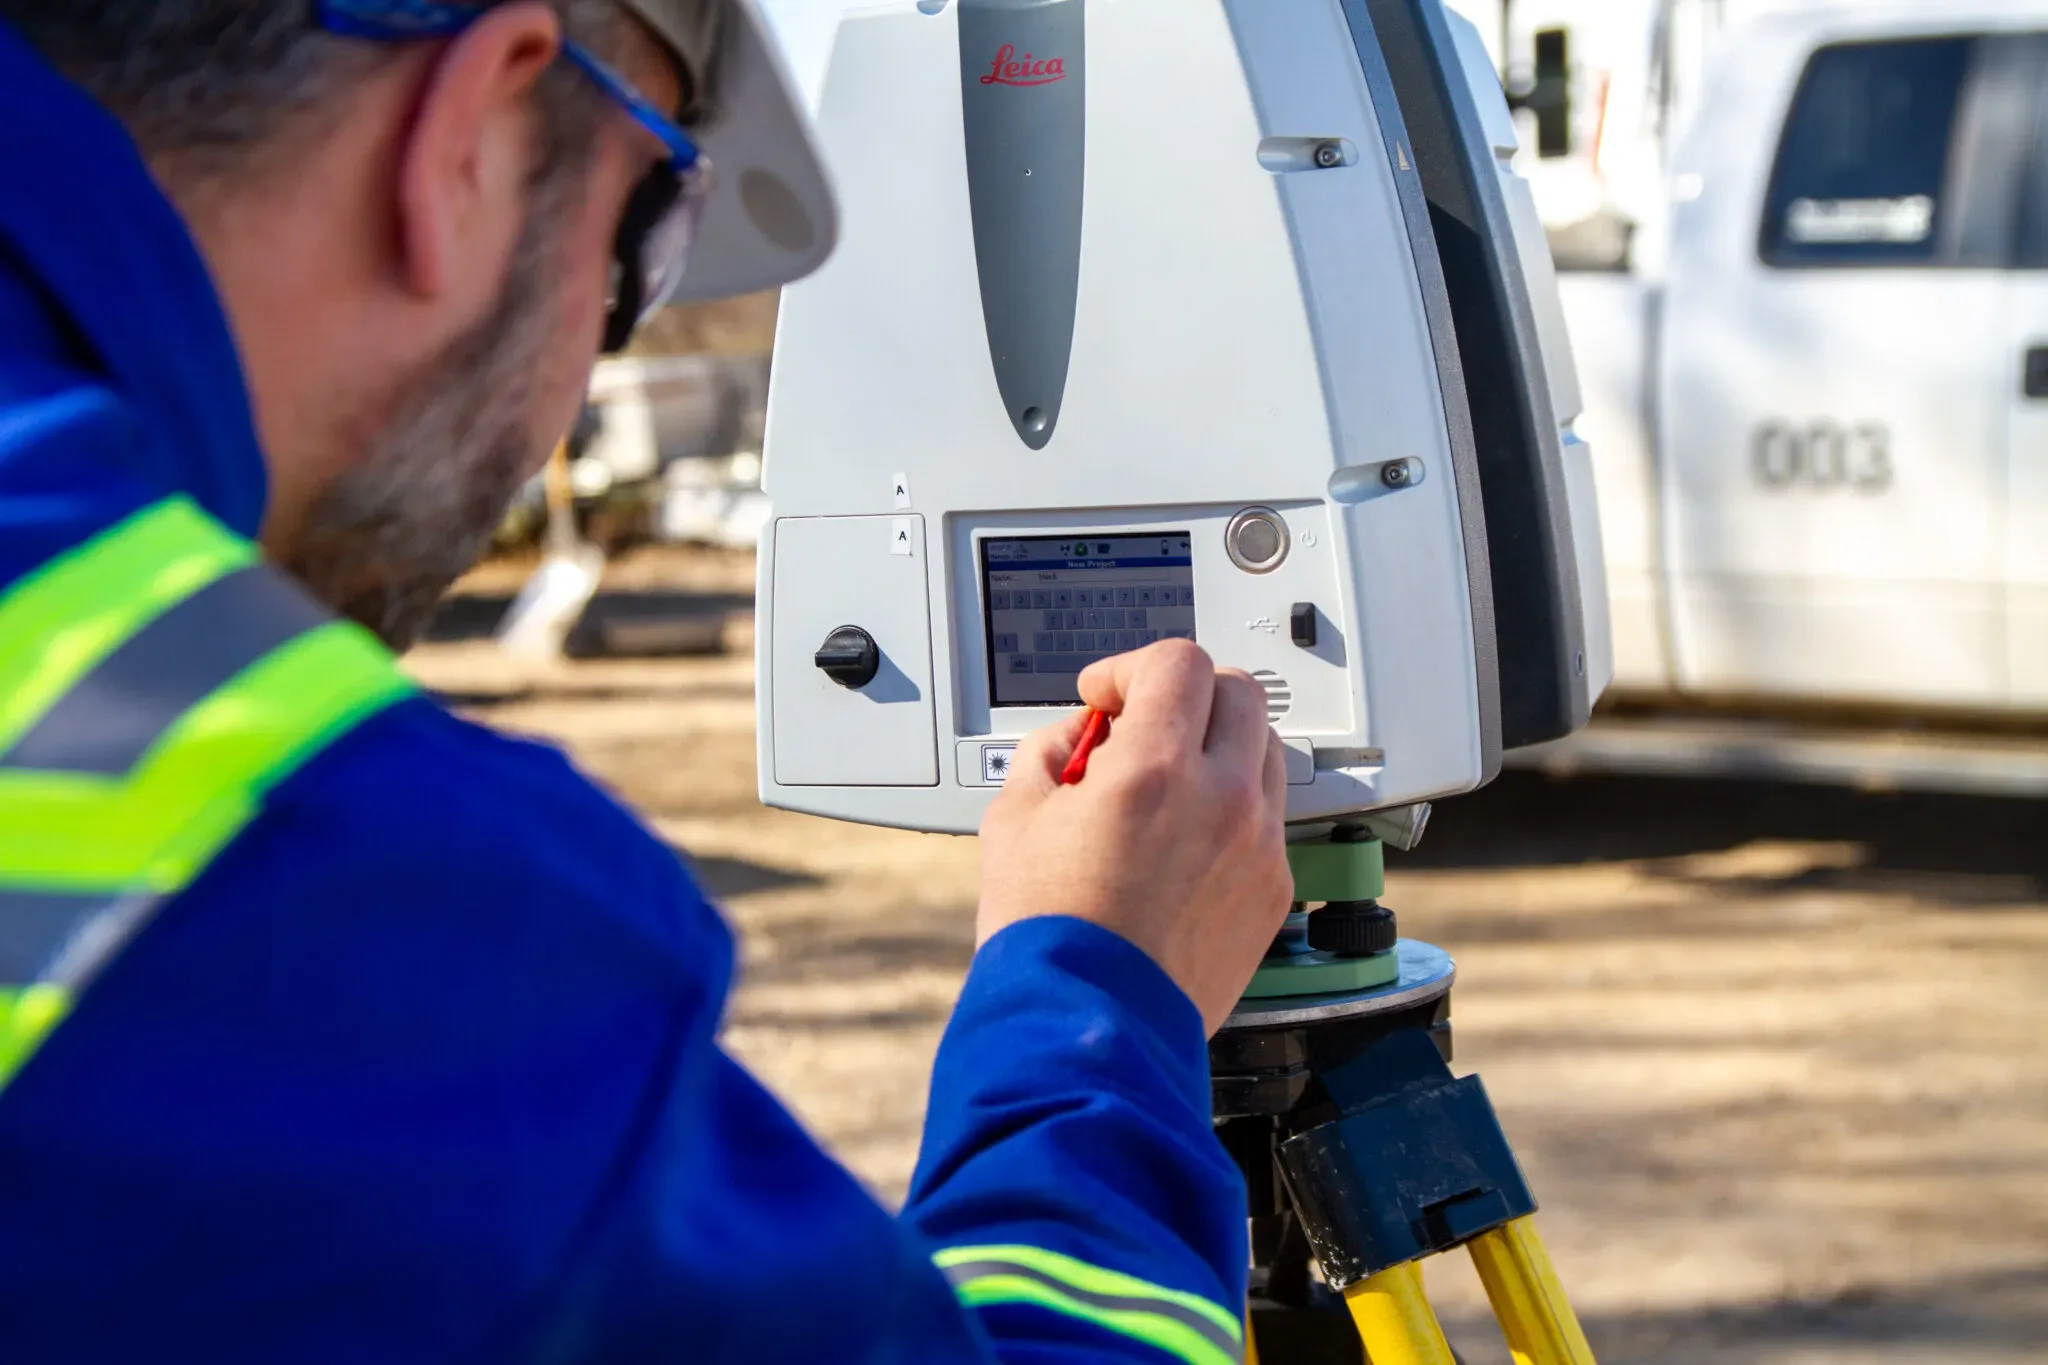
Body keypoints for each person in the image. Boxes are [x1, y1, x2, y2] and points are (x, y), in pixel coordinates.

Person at [0, 1, 1297, 1361]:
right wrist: (1098, 992)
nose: (591, 364)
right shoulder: (319, 887)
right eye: (644, 245)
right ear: (471, 138)